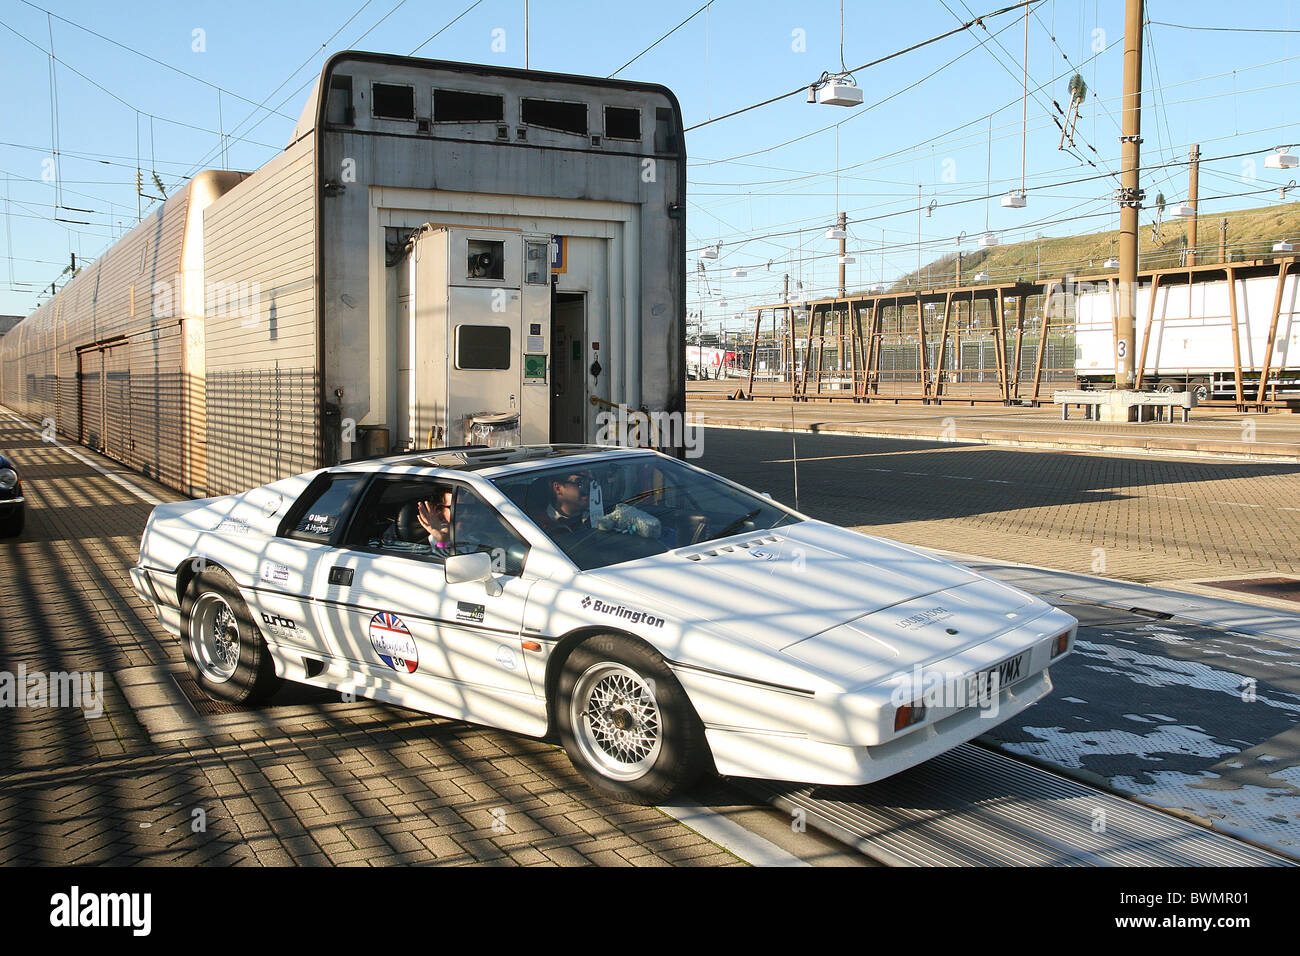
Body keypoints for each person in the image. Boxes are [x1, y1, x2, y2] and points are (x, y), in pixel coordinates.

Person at [535, 471, 593, 536]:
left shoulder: (601, 513)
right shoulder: (540, 526)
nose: (589, 488)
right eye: (580, 483)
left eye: (590, 482)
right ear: (558, 488)